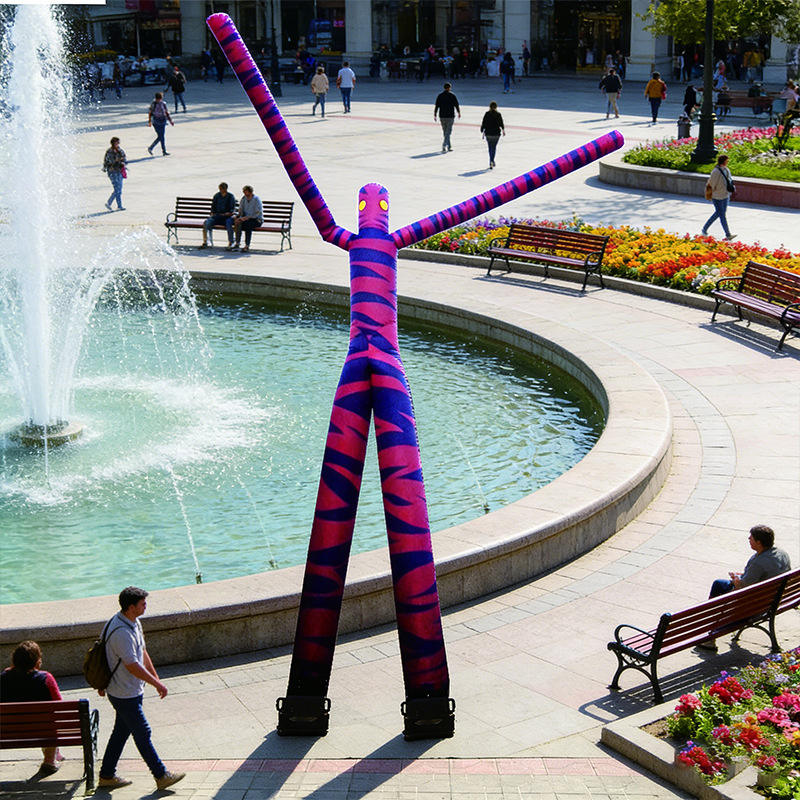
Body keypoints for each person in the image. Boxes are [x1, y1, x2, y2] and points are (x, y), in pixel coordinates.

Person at [97, 587, 185, 791]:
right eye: (142, 604)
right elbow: (132, 665)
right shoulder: (121, 632)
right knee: (143, 732)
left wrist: (156, 678)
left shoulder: (134, 622)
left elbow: (142, 652)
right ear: (131, 607)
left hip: (130, 690)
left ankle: (106, 775)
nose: (146, 606)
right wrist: (156, 684)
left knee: (121, 732)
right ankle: (161, 775)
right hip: (123, 692)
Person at [698, 526, 791, 650]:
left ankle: (710, 634)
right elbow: (763, 576)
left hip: (753, 604)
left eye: (751, 538)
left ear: (759, 542)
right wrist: (741, 576)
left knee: (718, 587)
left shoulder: (759, 562)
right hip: (774, 599)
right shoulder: (782, 554)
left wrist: (736, 580)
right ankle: (711, 625)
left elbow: (742, 588)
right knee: (720, 584)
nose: (748, 539)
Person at [1, 641, 64, 776]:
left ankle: (53, 755)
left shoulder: (3, 677)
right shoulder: (46, 678)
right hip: (42, 730)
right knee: (49, 723)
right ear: (37, 661)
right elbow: (60, 706)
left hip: (7, 731)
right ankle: (49, 761)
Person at [702, 154, 736, 241]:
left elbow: (730, 180)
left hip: (725, 195)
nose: (727, 162)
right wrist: (711, 195)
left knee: (719, 213)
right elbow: (711, 184)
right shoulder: (716, 172)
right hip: (717, 197)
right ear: (723, 161)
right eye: (726, 161)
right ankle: (728, 234)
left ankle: (704, 229)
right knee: (722, 215)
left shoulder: (726, 170)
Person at [201, 182, 235, 248]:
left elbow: (232, 208)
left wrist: (229, 213)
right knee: (207, 222)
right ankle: (206, 241)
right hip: (217, 216)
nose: (221, 190)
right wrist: (212, 213)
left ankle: (231, 242)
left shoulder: (230, 196)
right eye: (220, 189)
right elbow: (213, 207)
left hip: (226, 217)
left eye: (223, 189)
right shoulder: (217, 196)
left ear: (226, 189)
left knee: (229, 223)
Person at [231, 185, 263, 252]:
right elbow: (240, 210)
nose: (245, 193)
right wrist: (238, 216)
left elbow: (257, 213)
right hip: (245, 219)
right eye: (244, 192)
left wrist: (246, 218)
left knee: (248, 225)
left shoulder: (256, 199)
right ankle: (237, 243)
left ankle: (247, 245)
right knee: (237, 223)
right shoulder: (244, 199)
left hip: (256, 219)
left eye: (246, 192)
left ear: (250, 192)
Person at [102, 136, 127, 212]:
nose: (118, 144)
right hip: (112, 172)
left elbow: (124, 159)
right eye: (117, 142)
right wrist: (118, 161)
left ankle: (118, 206)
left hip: (119, 171)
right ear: (113, 143)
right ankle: (109, 203)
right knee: (117, 189)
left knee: (119, 189)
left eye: (118, 142)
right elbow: (109, 161)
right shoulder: (109, 151)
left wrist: (122, 162)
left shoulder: (120, 150)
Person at [434, 82, 460, 153]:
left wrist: (435, 114)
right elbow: (456, 105)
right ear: (449, 88)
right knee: (448, 132)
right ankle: (444, 145)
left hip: (442, 116)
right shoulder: (452, 95)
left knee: (445, 132)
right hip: (450, 116)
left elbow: (437, 106)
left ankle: (449, 146)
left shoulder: (440, 96)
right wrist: (458, 112)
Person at [147, 91, 173, 156]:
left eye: (160, 99)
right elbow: (150, 113)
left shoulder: (163, 104)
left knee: (161, 137)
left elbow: (166, 112)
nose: (159, 100)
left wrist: (170, 120)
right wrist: (149, 121)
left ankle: (161, 150)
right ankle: (155, 149)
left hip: (163, 121)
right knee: (161, 137)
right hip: (156, 122)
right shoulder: (153, 104)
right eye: (158, 99)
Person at [480, 100, 504, 169]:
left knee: (490, 147)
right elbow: (501, 123)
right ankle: (492, 160)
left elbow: (484, 122)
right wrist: (503, 130)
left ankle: (491, 160)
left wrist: (482, 129)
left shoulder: (487, 114)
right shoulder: (498, 114)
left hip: (488, 133)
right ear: (496, 107)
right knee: (494, 147)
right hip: (496, 133)